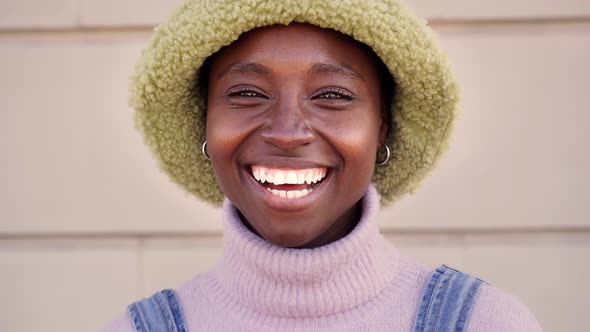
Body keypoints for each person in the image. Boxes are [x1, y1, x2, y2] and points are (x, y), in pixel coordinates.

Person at [103, 0, 543, 331]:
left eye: (332, 95)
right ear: (203, 121)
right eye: (247, 93)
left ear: (382, 129)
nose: (288, 131)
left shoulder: (483, 322)